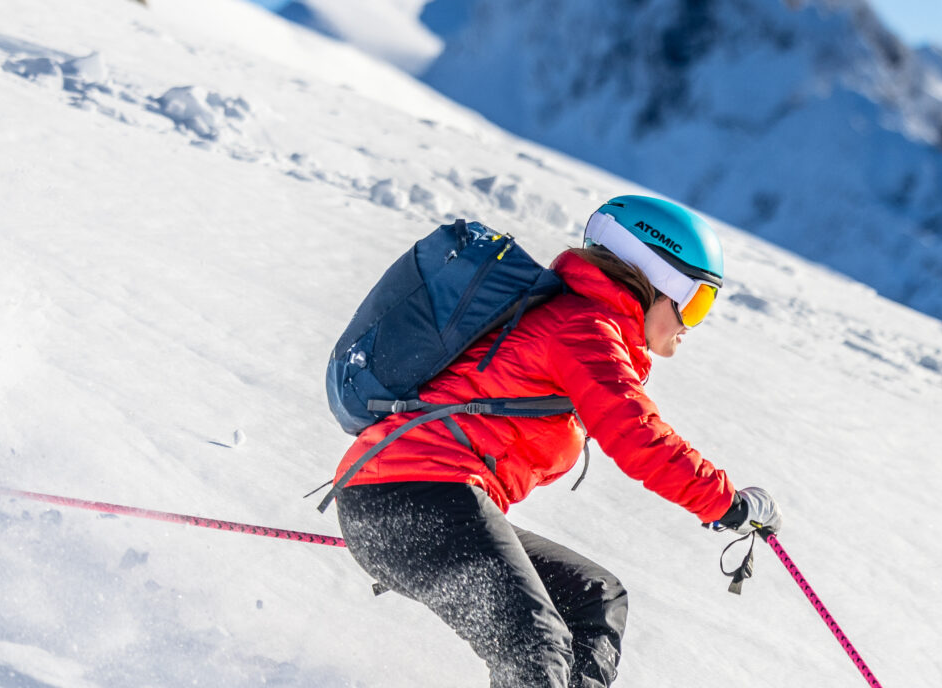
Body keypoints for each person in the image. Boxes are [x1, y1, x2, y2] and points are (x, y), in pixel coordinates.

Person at [329, 195, 783, 688]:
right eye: (697, 302)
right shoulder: (583, 327)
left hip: (411, 500)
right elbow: (636, 435)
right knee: (536, 649)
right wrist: (727, 503)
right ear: (658, 280)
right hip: (413, 499)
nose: (692, 325)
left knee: (594, 600)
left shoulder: (577, 321)